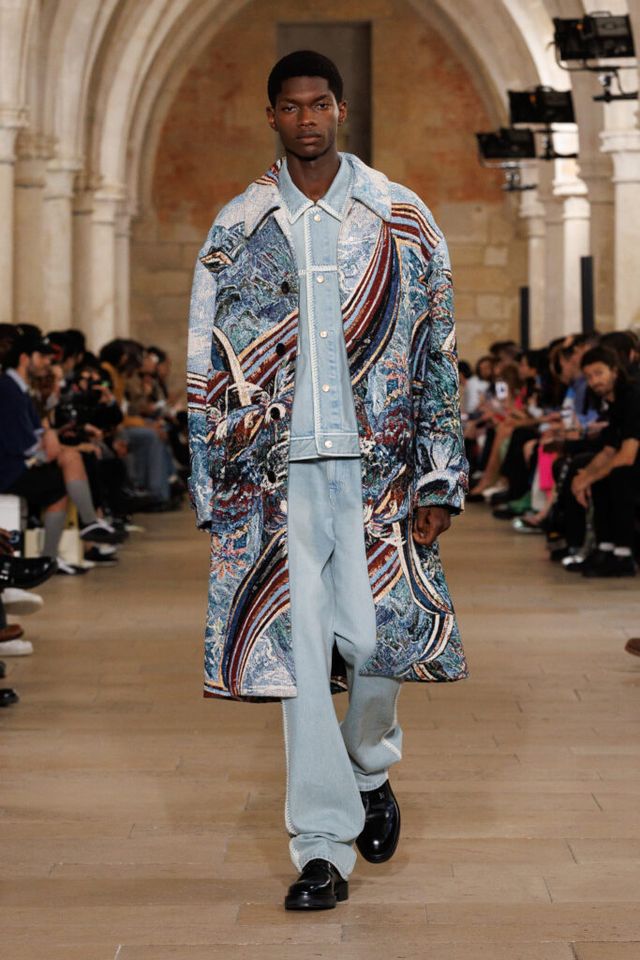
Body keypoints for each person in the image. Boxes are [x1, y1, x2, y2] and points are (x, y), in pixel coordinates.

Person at [187, 50, 468, 911]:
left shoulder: (401, 216)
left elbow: (439, 347)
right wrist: (213, 486)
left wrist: (439, 475)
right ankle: (320, 846)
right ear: (271, 116)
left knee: (379, 638)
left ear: (340, 111)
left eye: (319, 104)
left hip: (380, 468)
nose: (306, 118)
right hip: (274, 479)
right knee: (300, 657)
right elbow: (205, 362)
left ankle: (367, 767)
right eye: (290, 106)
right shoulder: (237, 227)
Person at [569, 346, 640, 577]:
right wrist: (584, 477)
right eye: (589, 376)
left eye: (599, 373)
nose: (594, 381)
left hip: (633, 462)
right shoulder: (615, 401)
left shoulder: (633, 397)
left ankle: (623, 556)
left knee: (618, 474)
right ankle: (604, 549)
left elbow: (627, 455)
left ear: (615, 371)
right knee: (595, 472)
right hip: (632, 461)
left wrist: (589, 478)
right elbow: (608, 450)